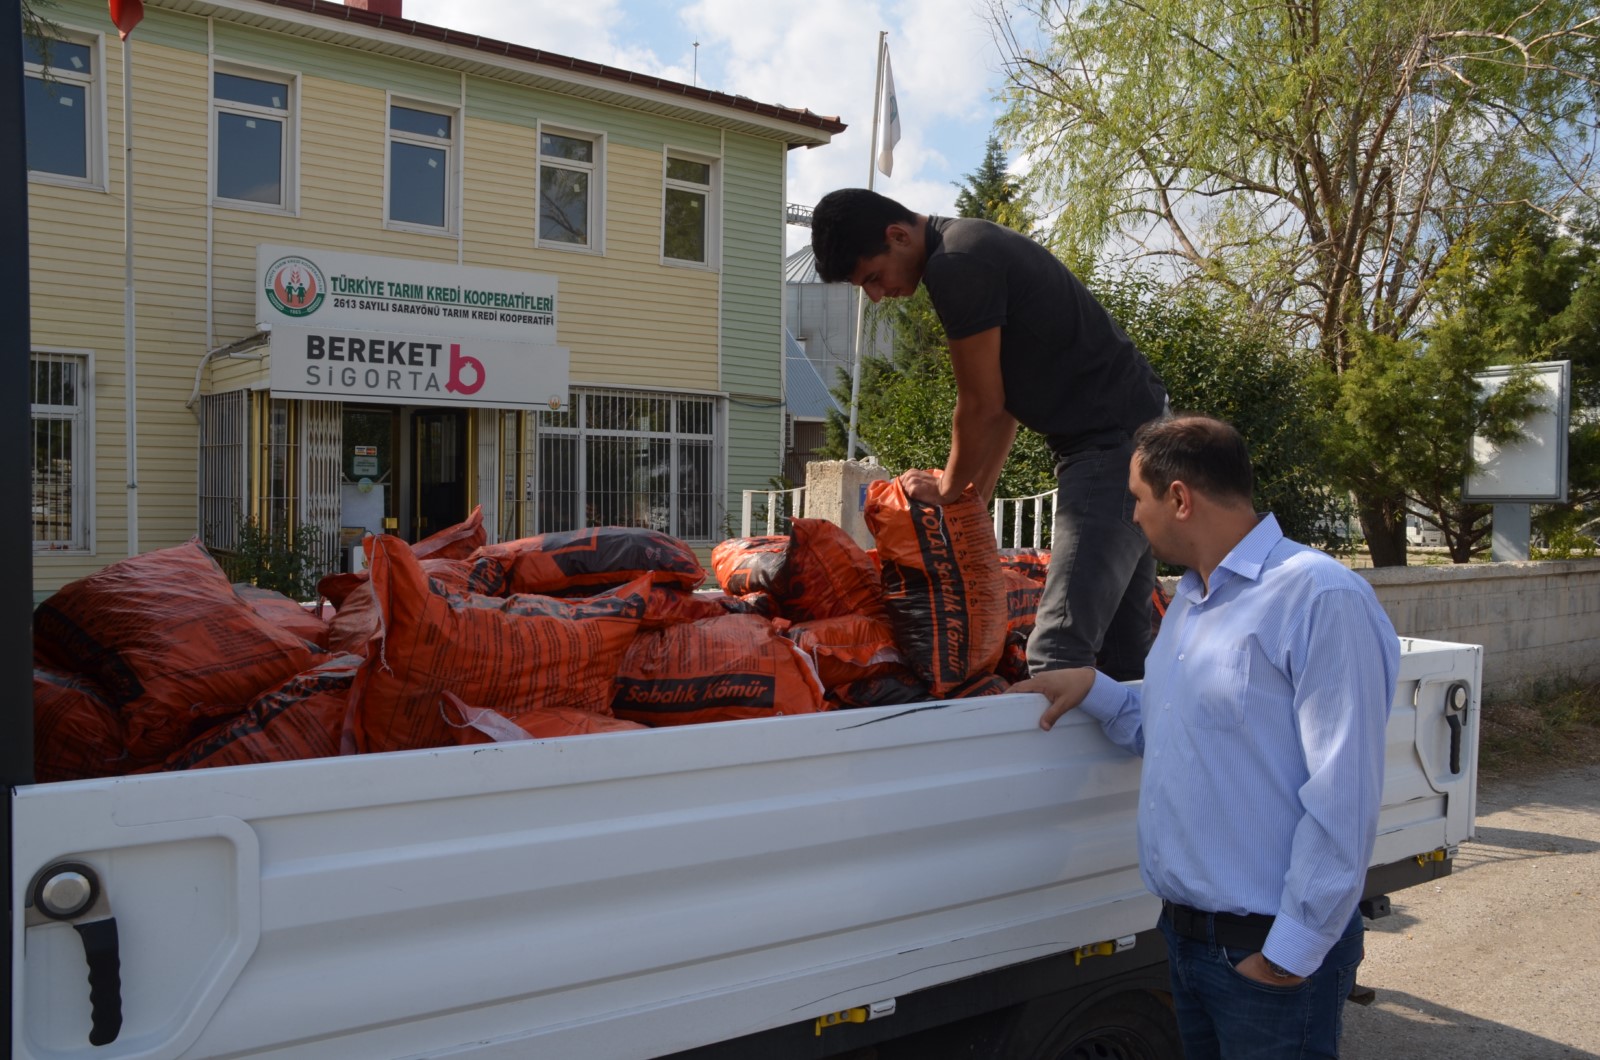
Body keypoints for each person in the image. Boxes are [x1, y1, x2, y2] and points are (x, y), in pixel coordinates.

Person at [1016, 414, 1400, 1060]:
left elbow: (1345, 794)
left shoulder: (1318, 598)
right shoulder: (1191, 603)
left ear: (1180, 499)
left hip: (1265, 957)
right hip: (1189, 944)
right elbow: (1176, 735)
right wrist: (1094, 687)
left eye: (1138, 499)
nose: (1133, 517)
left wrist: (1288, 955)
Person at [810, 189, 1167, 680]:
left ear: (898, 235)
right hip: (1141, 441)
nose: (875, 295)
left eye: (873, 277)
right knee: (1123, 657)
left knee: (1056, 655)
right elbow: (1001, 411)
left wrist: (948, 489)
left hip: (1110, 452)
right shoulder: (967, 244)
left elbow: (978, 404)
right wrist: (972, 502)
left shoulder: (956, 263)